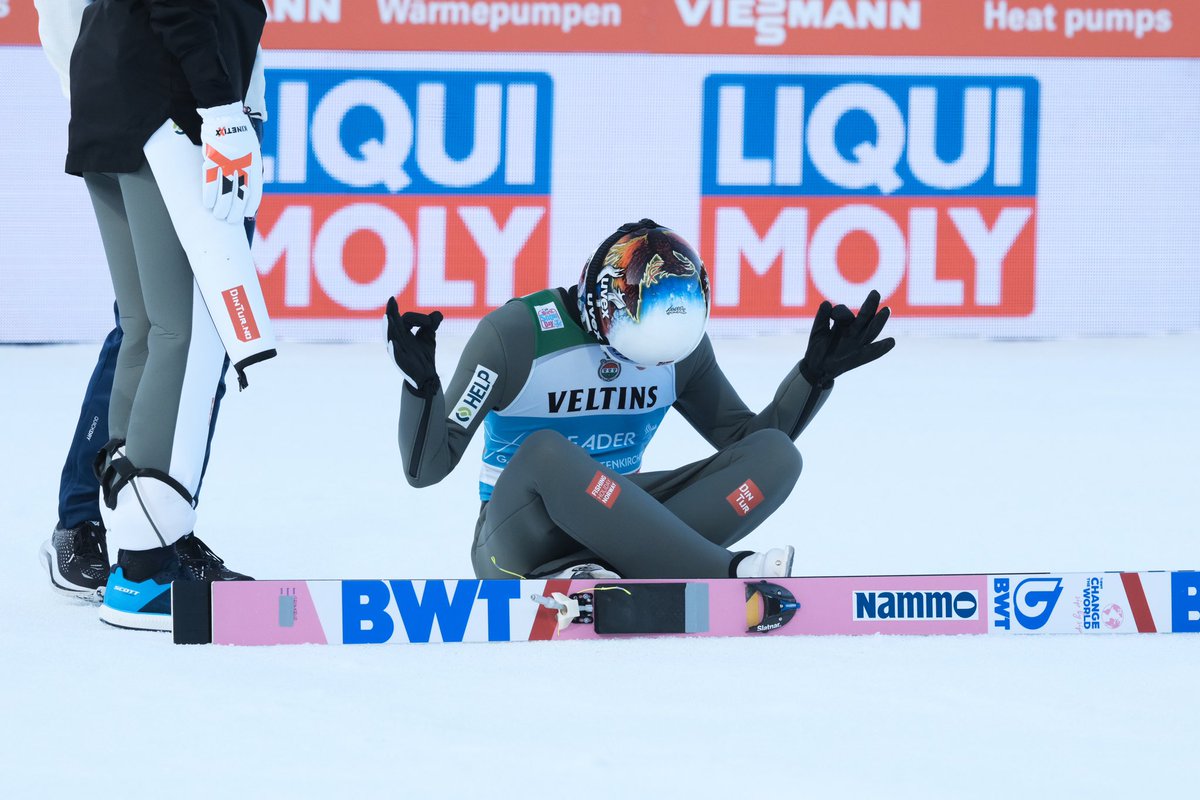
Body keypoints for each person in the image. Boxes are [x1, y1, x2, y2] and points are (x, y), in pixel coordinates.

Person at [385, 219, 895, 580]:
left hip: (621, 522)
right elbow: (426, 469)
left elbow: (746, 444)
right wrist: (422, 389)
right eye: (640, 344)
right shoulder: (516, 336)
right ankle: (725, 573)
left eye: (665, 350)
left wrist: (812, 378)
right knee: (546, 452)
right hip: (516, 540)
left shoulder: (678, 350)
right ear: (602, 309)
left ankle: (603, 569)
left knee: (778, 455)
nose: (651, 363)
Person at [41, 0, 277, 631]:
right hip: (173, 107)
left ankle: (136, 553)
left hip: (117, 97)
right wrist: (220, 109)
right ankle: (146, 567)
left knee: (147, 331)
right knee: (186, 334)